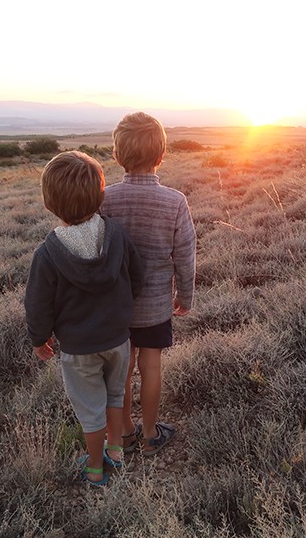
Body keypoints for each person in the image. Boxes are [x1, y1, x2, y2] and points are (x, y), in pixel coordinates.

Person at [25, 150, 144, 486]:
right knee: (115, 394)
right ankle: (116, 452)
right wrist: (122, 309)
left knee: (90, 407)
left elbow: (37, 305)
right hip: (119, 339)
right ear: (101, 196)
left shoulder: (48, 255)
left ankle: (94, 467)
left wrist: (39, 338)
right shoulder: (116, 236)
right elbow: (137, 277)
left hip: (78, 348)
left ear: (49, 203)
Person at [100, 111, 196, 456]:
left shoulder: (104, 199)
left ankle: (125, 432)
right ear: (161, 154)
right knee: (151, 366)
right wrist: (185, 297)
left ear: (117, 154)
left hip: (115, 308)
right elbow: (185, 257)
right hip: (156, 305)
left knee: (122, 371)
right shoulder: (175, 202)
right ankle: (151, 433)